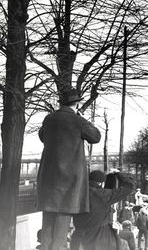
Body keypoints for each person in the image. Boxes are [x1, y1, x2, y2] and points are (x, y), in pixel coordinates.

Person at [37, 88, 101, 250]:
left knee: (47, 222)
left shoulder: (49, 118)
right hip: (68, 181)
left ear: (62, 102)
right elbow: (95, 137)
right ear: (77, 103)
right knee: (61, 227)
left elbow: (42, 137)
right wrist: (83, 119)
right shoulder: (77, 120)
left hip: (48, 179)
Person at [71, 170, 135, 250]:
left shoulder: (76, 194)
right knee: (124, 245)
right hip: (100, 238)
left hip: (78, 239)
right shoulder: (103, 195)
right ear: (101, 183)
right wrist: (118, 173)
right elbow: (129, 187)